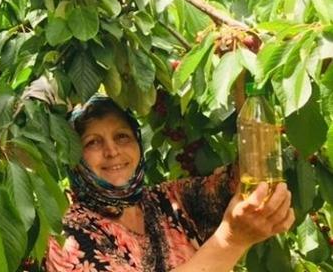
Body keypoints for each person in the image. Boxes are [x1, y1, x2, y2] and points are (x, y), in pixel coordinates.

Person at [46, 95, 294, 272]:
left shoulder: (167, 201)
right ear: (73, 156)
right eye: (93, 142)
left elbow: (244, 181)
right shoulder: (68, 236)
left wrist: (244, 85)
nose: (112, 151)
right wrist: (231, 240)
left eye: (122, 137)